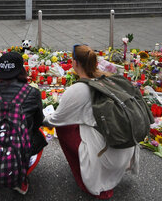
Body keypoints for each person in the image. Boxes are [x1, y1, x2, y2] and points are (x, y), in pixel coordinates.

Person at [43, 45, 138, 199]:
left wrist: (38, 119)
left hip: (106, 151)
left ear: (75, 63)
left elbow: (56, 120)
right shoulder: (108, 78)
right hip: (125, 145)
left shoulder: (78, 90)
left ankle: (90, 179)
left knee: (63, 128)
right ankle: (100, 169)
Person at [0, 52, 47, 195]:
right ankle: (20, 177)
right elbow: (38, 121)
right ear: (21, 70)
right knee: (39, 136)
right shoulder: (32, 93)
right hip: (18, 149)